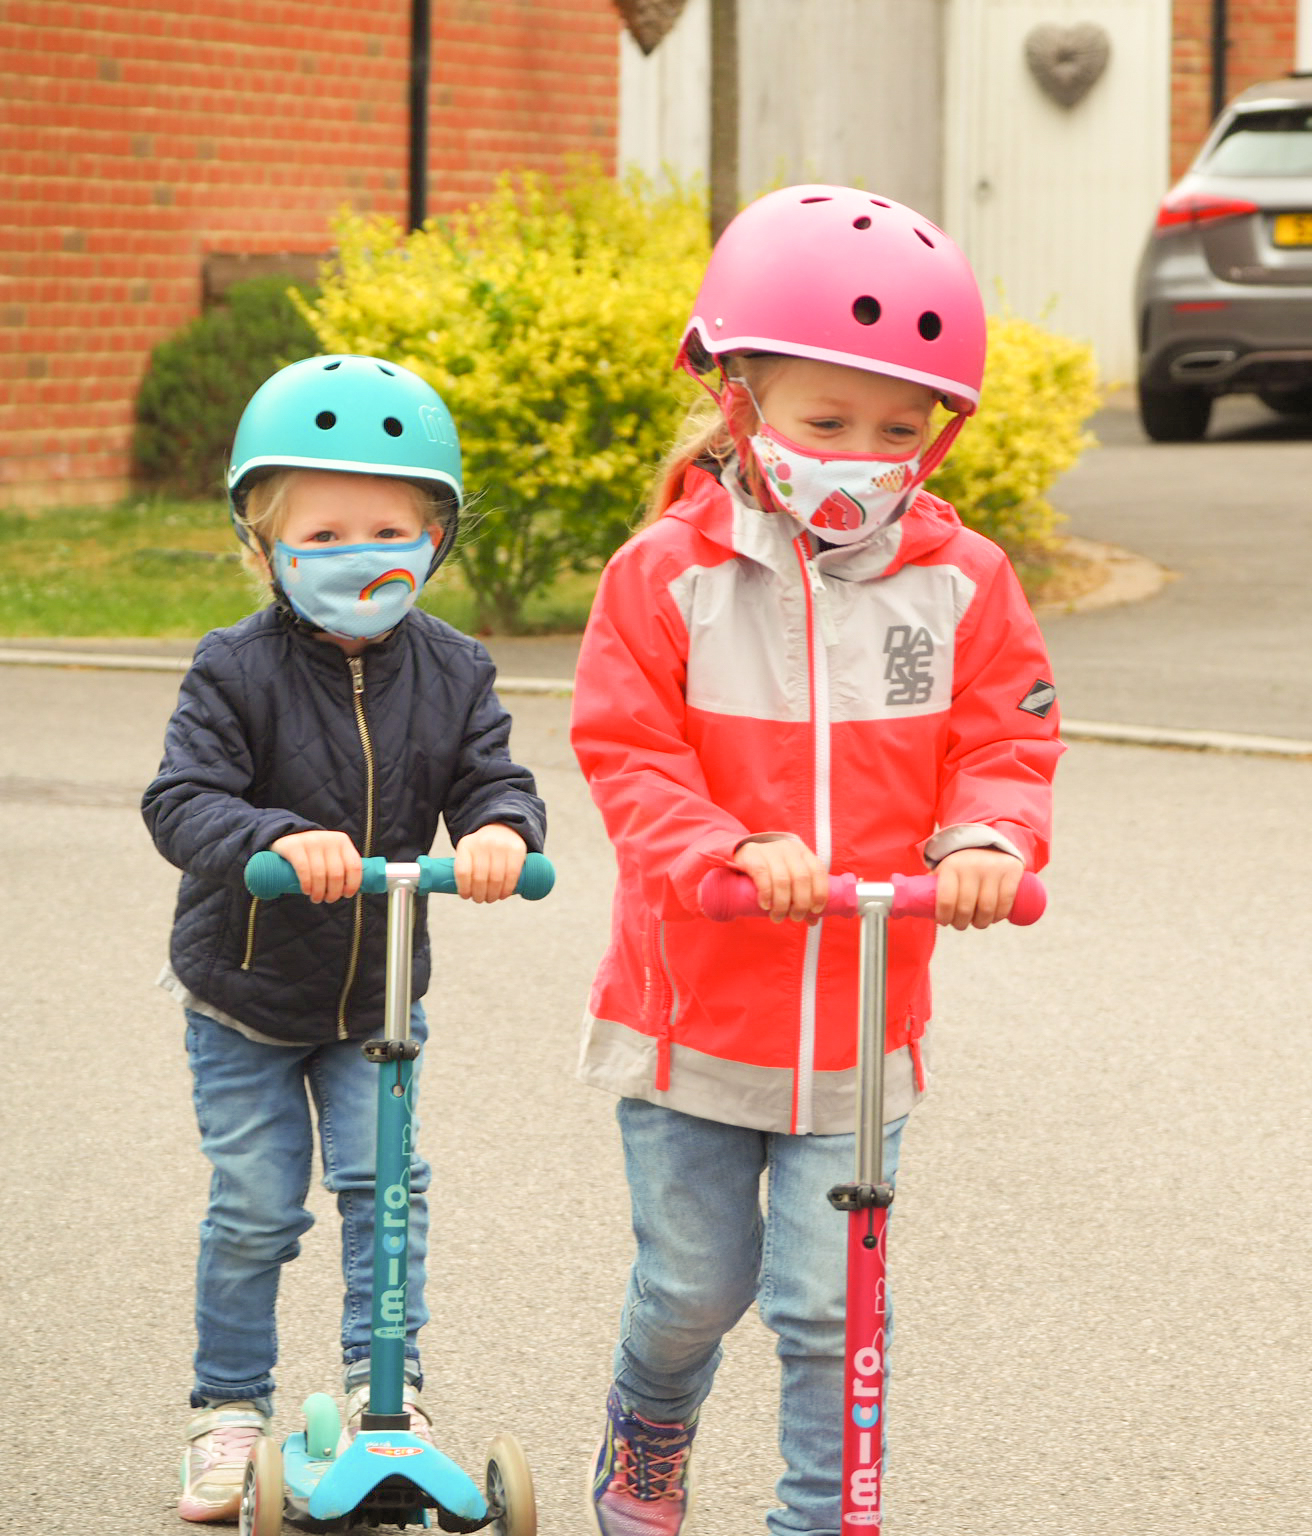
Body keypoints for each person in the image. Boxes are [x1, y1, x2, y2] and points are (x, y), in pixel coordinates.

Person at [570, 184, 1062, 1536]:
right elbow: (628, 753)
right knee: (692, 1290)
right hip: (692, 1019)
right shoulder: (664, 576)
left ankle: (815, 1521)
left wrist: (982, 840)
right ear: (739, 403)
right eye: (825, 422)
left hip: (859, 1024)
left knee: (827, 1307)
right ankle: (649, 1431)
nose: (861, 455)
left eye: (898, 431)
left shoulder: (962, 582)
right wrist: (728, 846)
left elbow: (1006, 743)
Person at [141, 355, 546, 1524]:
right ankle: (227, 1411)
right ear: (263, 549)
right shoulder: (234, 669)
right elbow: (180, 802)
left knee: (387, 1192)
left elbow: (492, 778)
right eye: (323, 530)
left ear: (433, 538)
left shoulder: (457, 669)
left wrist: (502, 835)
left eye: (388, 526)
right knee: (260, 1205)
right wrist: (275, 836)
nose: (360, 552)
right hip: (247, 996)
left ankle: (390, 1398)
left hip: (375, 1002)